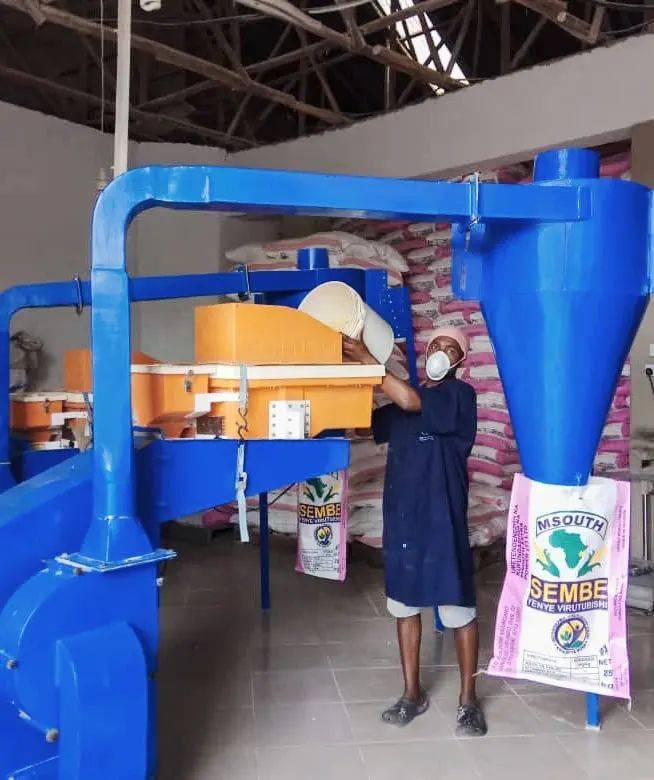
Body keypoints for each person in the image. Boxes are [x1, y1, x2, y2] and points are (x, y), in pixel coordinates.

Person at [343, 327, 487, 737]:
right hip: (404, 519)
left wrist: (367, 360)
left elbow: (410, 400)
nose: (441, 351)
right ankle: (412, 694)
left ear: (461, 361)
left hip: (443, 518)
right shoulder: (403, 402)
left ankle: (468, 701)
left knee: (458, 610)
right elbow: (365, 427)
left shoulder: (459, 397)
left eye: (450, 348)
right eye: (436, 345)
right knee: (404, 606)